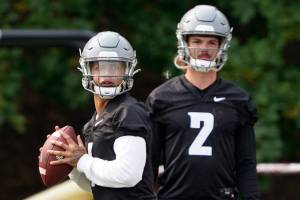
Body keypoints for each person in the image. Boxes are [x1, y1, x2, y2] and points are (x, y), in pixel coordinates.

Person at [146, 5, 259, 200]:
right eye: (197, 41)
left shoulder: (238, 100)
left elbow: (246, 163)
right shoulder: (161, 98)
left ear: (221, 46)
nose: (204, 49)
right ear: (184, 44)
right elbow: (150, 162)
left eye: (211, 42)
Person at [47, 31, 156, 200]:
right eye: (99, 67)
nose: (107, 75)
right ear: (87, 70)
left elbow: (128, 175)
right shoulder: (95, 122)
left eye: (115, 67)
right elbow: (97, 187)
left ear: (126, 70)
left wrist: (82, 160)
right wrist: (72, 165)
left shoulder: (129, 111)